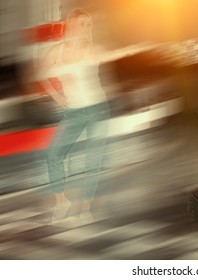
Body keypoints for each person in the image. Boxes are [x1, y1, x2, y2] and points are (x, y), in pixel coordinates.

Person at [37, 8, 143, 223]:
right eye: (82, 24)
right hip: (73, 113)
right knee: (53, 155)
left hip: (97, 110)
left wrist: (135, 48)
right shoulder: (57, 52)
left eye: (89, 25)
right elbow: (40, 73)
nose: (86, 28)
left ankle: (86, 210)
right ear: (71, 25)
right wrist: (57, 97)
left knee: (92, 162)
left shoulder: (94, 49)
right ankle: (61, 202)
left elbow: (113, 54)